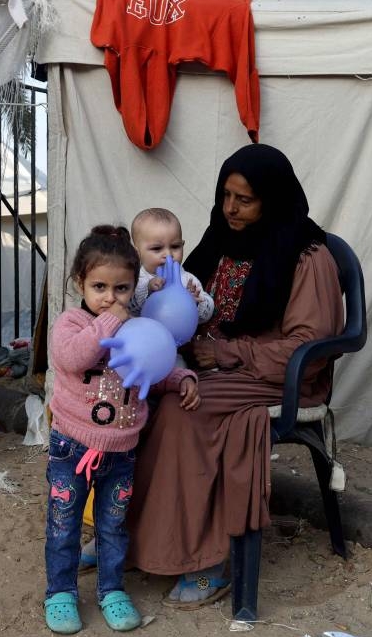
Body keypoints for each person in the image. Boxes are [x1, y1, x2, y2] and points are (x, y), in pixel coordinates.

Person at [126, 144, 344, 608]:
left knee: (186, 409)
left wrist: (226, 352)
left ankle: (205, 564)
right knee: (136, 397)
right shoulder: (220, 239)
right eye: (225, 195)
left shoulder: (308, 254)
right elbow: (193, 304)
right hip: (215, 360)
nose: (229, 208)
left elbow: (311, 345)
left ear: (272, 198)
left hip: (281, 375)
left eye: (244, 199)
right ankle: (127, 534)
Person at [44, 225, 200, 634]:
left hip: (121, 451)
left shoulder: (136, 326)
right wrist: (109, 322)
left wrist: (180, 379)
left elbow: (150, 369)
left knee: (113, 526)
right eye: (99, 287)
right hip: (72, 446)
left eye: (122, 289)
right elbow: (74, 358)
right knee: (65, 523)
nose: (110, 298)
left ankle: (112, 590)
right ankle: (60, 592)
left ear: (136, 287)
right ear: (80, 282)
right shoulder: (72, 324)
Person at [128, 207, 214, 323]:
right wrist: (147, 290)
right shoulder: (135, 279)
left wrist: (194, 303)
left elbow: (206, 316)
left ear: (182, 245)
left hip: (178, 338)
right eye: (157, 248)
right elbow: (129, 308)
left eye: (175, 247)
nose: (168, 255)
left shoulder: (187, 280)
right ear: (137, 253)